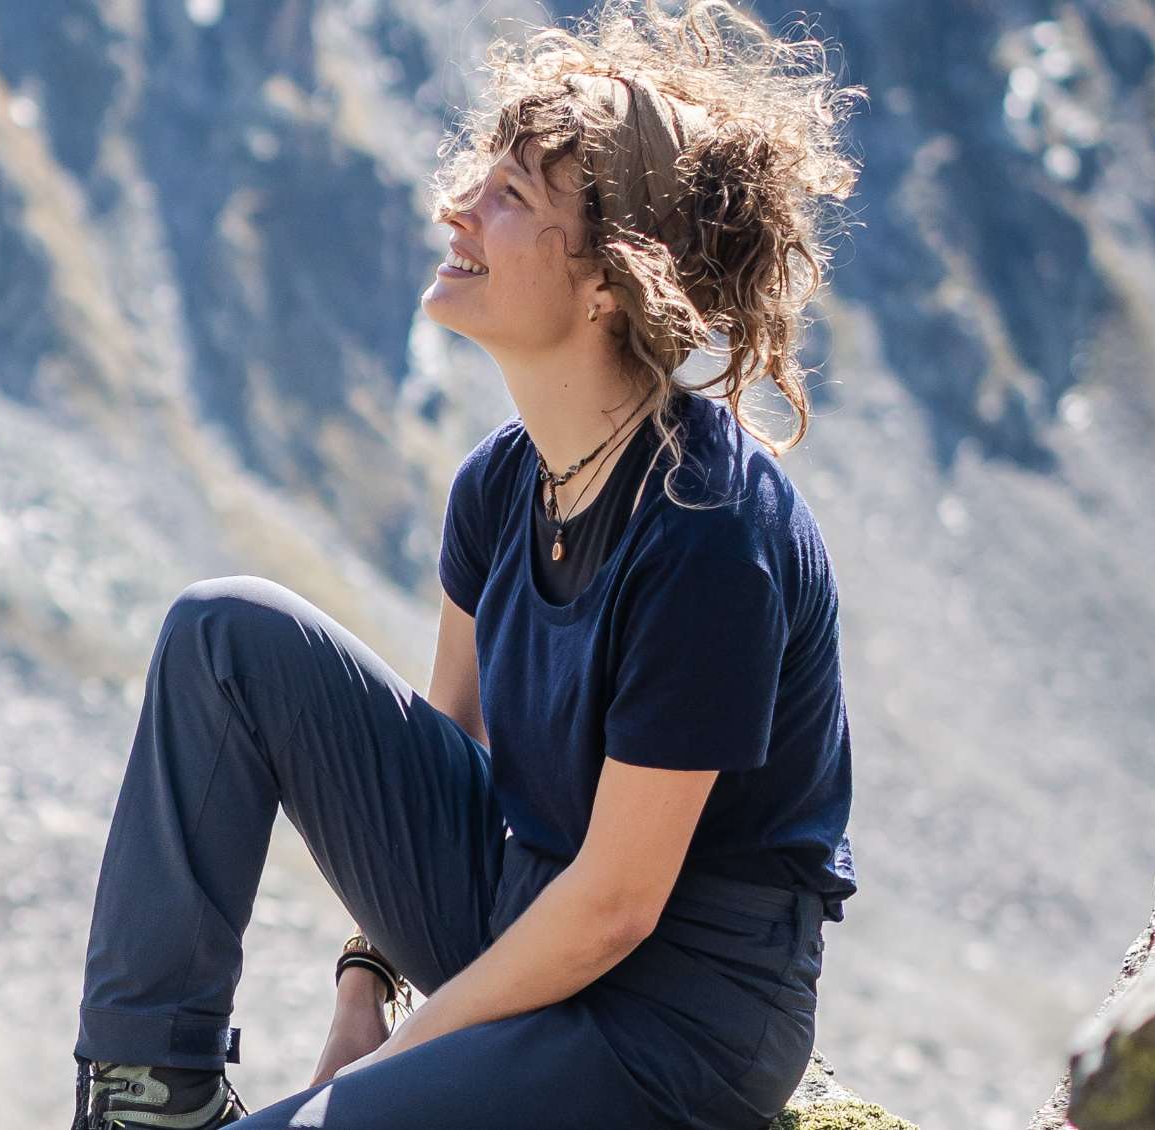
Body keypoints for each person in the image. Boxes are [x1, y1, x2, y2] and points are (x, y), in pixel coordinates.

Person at [68, 2, 865, 1126]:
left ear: (609, 280)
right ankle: (146, 1097)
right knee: (224, 631)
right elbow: (447, 751)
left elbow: (617, 906)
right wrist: (366, 984)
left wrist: (393, 1066)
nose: (457, 206)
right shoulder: (506, 479)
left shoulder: (709, 534)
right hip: (515, 906)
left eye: (512, 198)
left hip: (672, 1024)